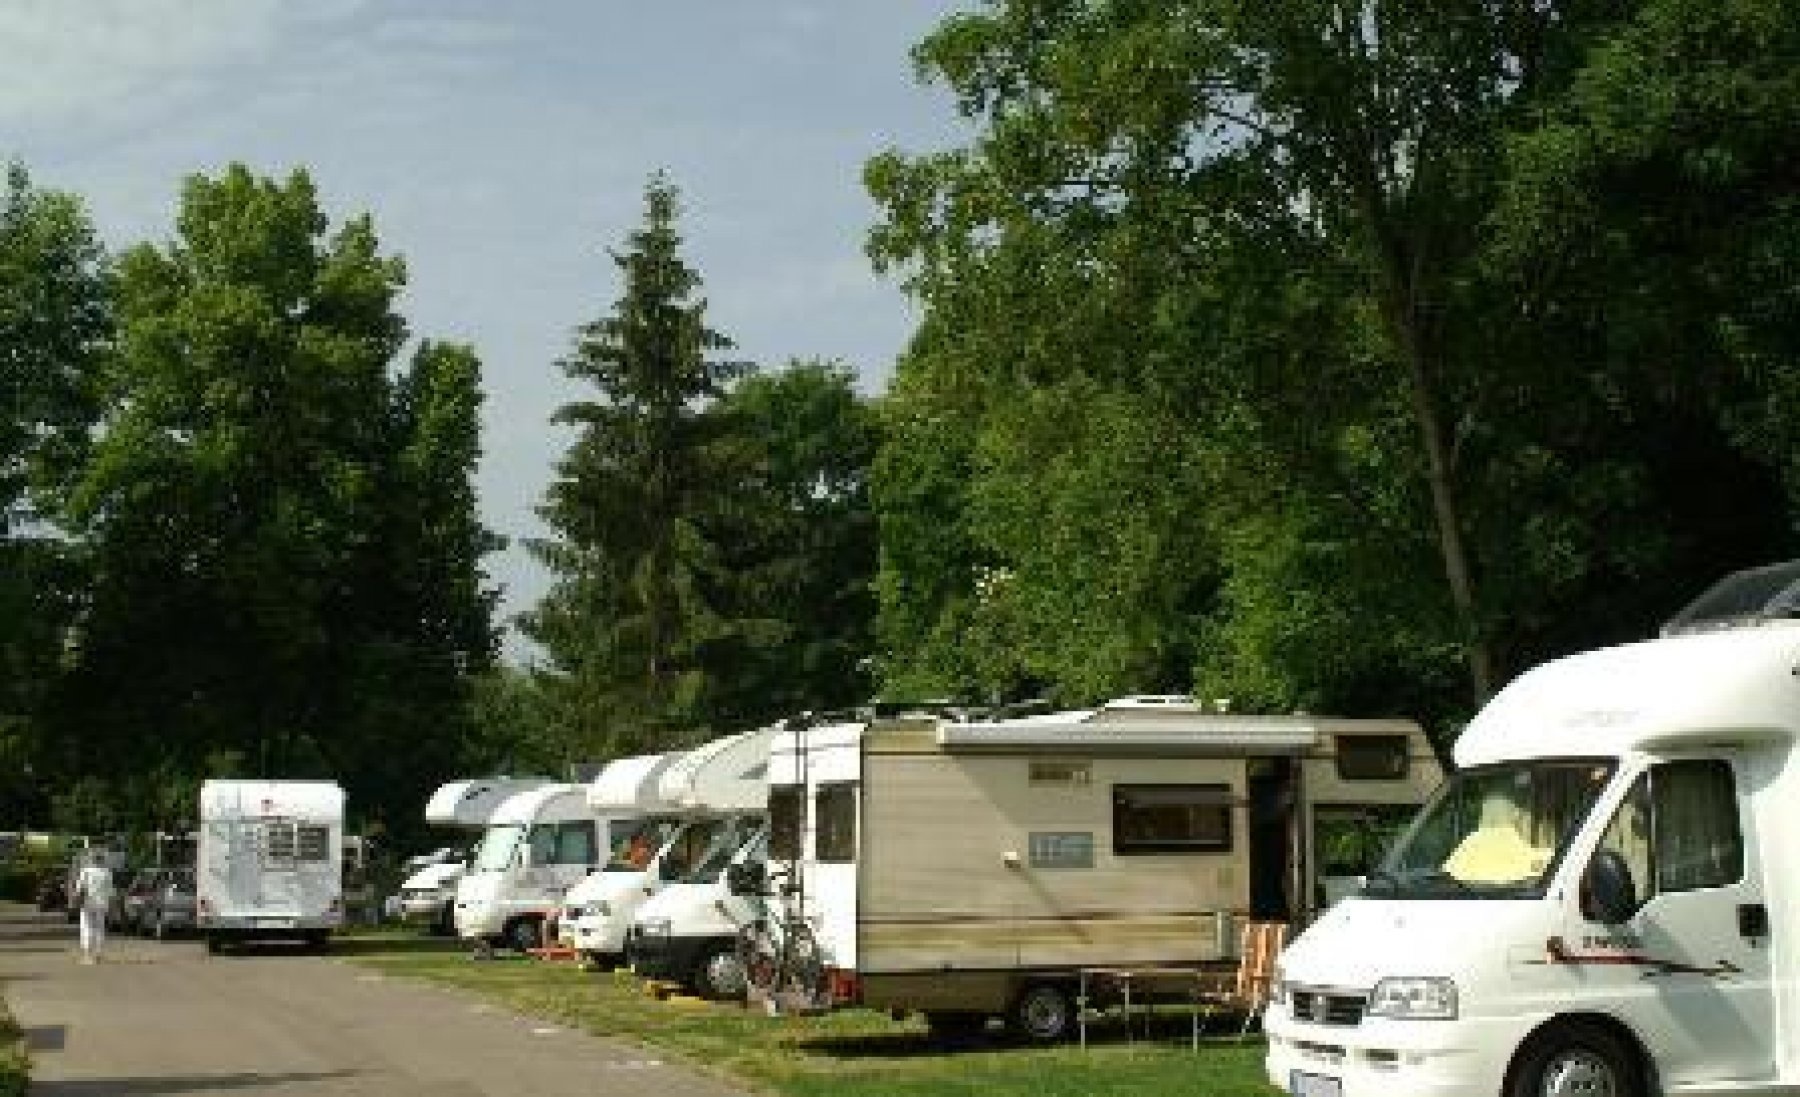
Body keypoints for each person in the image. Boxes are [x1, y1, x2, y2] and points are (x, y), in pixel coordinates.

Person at [70, 851, 116, 964]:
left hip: (88, 902)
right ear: (102, 860)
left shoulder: (86, 871)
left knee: (86, 926)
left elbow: (80, 887)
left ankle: (87, 956)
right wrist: (111, 904)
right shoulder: (107, 872)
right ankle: (98, 954)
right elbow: (111, 891)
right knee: (100, 928)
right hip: (102, 903)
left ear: (92, 860)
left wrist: (74, 900)